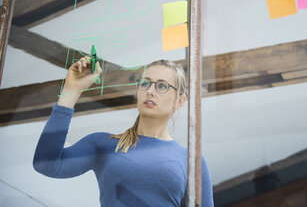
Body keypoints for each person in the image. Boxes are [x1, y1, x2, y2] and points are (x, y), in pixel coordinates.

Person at [33, 56, 214, 207]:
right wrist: (71, 91)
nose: (150, 91)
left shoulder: (191, 160)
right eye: (145, 83)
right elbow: (47, 164)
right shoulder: (104, 144)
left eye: (161, 86)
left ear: (180, 101)